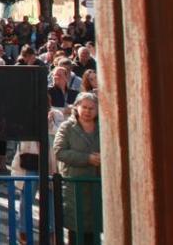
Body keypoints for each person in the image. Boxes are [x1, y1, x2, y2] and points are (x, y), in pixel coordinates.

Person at [54, 92, 102, 244]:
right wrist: (87, 158)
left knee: (96, 230)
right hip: (75, 186)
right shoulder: (67, 127)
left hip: (98, 185)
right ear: (76, 107)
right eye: (85, 107)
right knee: (76, 230)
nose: (88, 111)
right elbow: (59, 151)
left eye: (91, 108)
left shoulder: (103, 126)